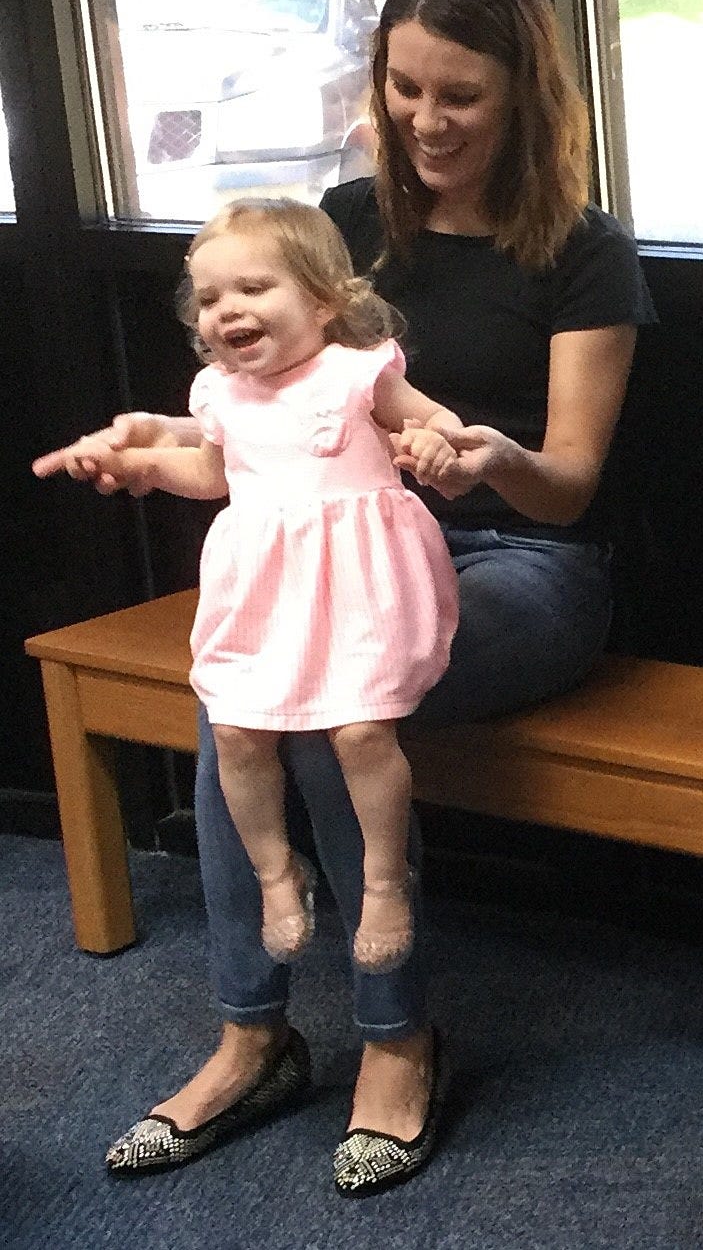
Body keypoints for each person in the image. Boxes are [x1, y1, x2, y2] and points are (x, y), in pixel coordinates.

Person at [33, 0, 657, 1197]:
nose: (427, 120)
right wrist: (159, 446)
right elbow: (264, 417)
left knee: (325, 705)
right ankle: (252, 1033)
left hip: (519, 565)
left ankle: (392, 1037)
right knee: (250, 699)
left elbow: (571, 484)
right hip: (338, 540)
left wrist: (491, 460)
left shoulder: (581, 251)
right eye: (406, 89)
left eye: (461, 96)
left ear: (521, 99)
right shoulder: (348, 223)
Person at [72, 196, 460, 977]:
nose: (226, 311)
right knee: (238, 732)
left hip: (362, 582)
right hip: (262, 587)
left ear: (322, 298)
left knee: (358, 733)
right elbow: (212, 472)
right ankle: (276, 873)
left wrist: (431, 439)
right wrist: (145, 464)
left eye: (252, 289)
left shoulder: (358, 371)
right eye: (210, 298)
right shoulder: (219, 392)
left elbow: (438, 420)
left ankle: (385, 880)